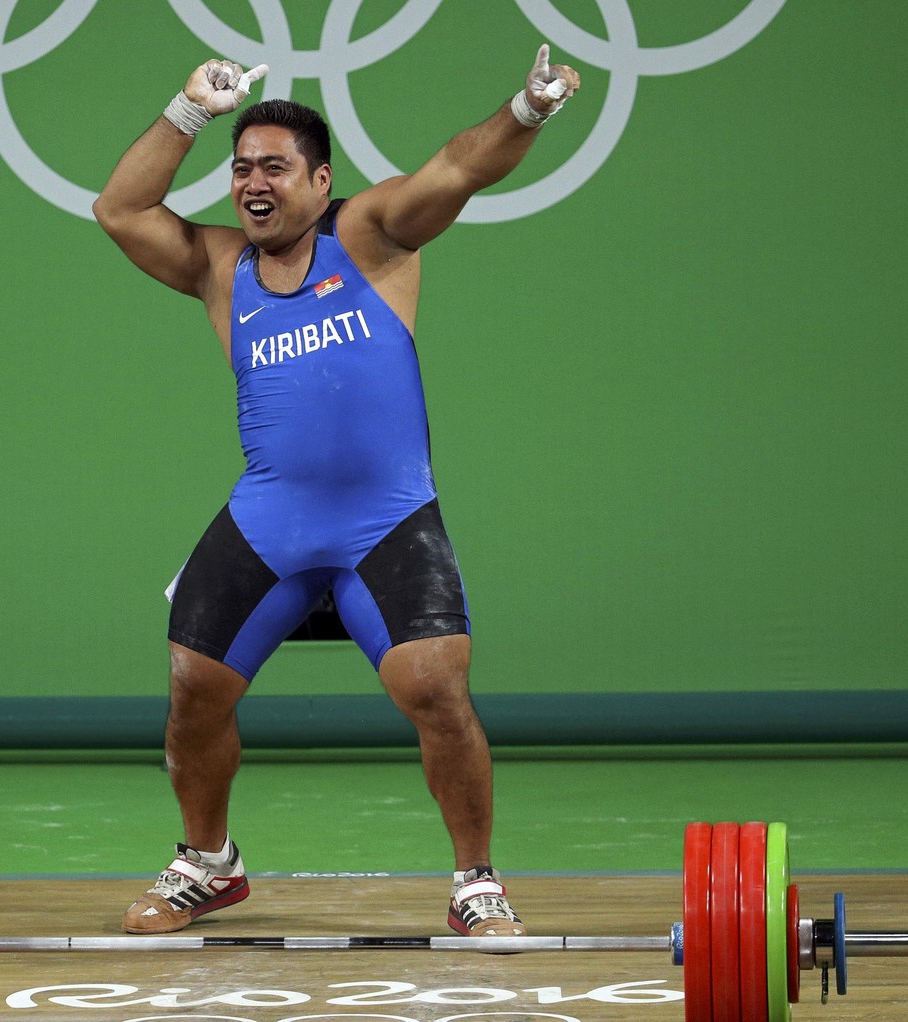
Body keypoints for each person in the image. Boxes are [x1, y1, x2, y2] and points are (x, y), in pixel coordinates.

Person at [92, 46, 581, 939]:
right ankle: (209, 863)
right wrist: (190, 109)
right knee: (193, 685)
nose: (252, 182)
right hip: (272, 516)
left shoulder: (373, 235)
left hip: (384, 517)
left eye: (274, 166)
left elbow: (462, 165)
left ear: (321, 180)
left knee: (437, 689)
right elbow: (119, 208)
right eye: (241, 168)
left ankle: (476, 882)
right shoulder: (218, 266)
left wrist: (528, 108)